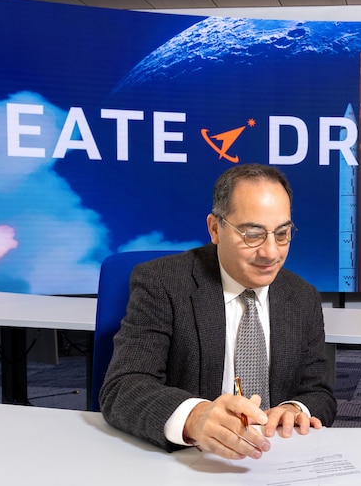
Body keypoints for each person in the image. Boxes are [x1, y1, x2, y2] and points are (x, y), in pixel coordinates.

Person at [100, 163, 336, 457]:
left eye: (282, 234)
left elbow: (320, 394)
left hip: (274, 462)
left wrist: (295, 409)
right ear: (215, 228)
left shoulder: (302, 297)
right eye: (253, 234)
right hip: (187, 462)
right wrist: (195, 417)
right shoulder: (162, 283)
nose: (271, 252)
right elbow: (123, 387)